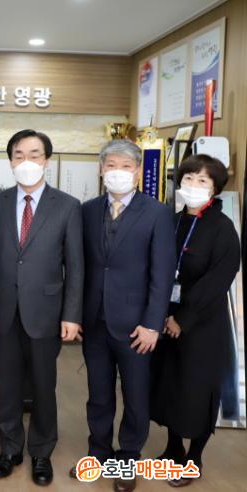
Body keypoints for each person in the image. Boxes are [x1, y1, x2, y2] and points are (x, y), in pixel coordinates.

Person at [0, 129, 84, 487]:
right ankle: (9, 449)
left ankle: (41, 451)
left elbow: (76, 266)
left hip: (47, 312)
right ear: (11, 161)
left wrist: (71, 315)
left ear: (47, 161)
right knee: (7, 386)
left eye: (34, 155)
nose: (27, 162)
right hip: (4, 310)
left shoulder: (67, 206)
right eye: (19, 155)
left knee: (43, 385)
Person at [75, 139, 176, 492]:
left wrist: (152, 324)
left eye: (126, 166)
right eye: (111, 165)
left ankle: (128, 458)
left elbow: (162, 275)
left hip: (137, 325)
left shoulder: (157, 213)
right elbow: (81, 266)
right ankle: (98, 453)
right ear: (101, 169)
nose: (117, 172)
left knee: (135, 396)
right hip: (94, 321)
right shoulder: (87, 210)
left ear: (137, 171)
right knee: (98, 394)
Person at [150, 154, 240, 488]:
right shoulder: (171, 221)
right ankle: (173, 448)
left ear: (215, 188)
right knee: (168, 385)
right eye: (188, 178)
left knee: (197, 390)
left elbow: (218, 280)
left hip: (201, 324)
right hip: (164, 319)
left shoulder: (222, 228)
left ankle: (194, 457)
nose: (193, 185)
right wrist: (160, 314)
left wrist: (183, 318)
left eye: (203, 180)